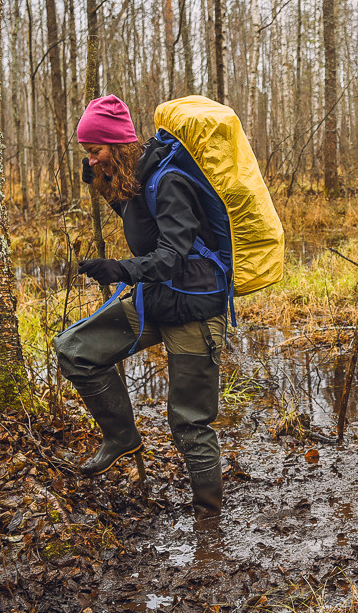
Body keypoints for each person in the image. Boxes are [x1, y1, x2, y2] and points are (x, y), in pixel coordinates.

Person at [53, 95, 228, 518]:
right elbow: (138, 219)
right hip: (156, 300)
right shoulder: (133, 179)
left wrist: (117, 268)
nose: (91, 160)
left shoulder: (168, 182)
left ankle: (209, 521)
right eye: (87, 154)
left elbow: (171, 256)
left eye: (95, 152)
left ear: (119, 145)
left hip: (195, 309)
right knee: (75, 349)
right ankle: (121, 436)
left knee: (189, 422)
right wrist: (99, 178)